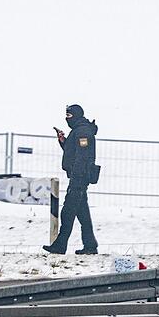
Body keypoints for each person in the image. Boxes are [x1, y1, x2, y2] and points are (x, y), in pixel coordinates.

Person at [43, 104, 99, 255]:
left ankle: (60, 246)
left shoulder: (83, 132)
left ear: (77, 115)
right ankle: (90, 246)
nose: (66, 119)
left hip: (78, 179)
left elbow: (82, 156)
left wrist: (77, 178)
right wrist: (63, 141)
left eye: (69, 116)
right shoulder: (78, 131)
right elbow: (73, 152)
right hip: (78, 178)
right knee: (83, 215)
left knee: (67, 212)